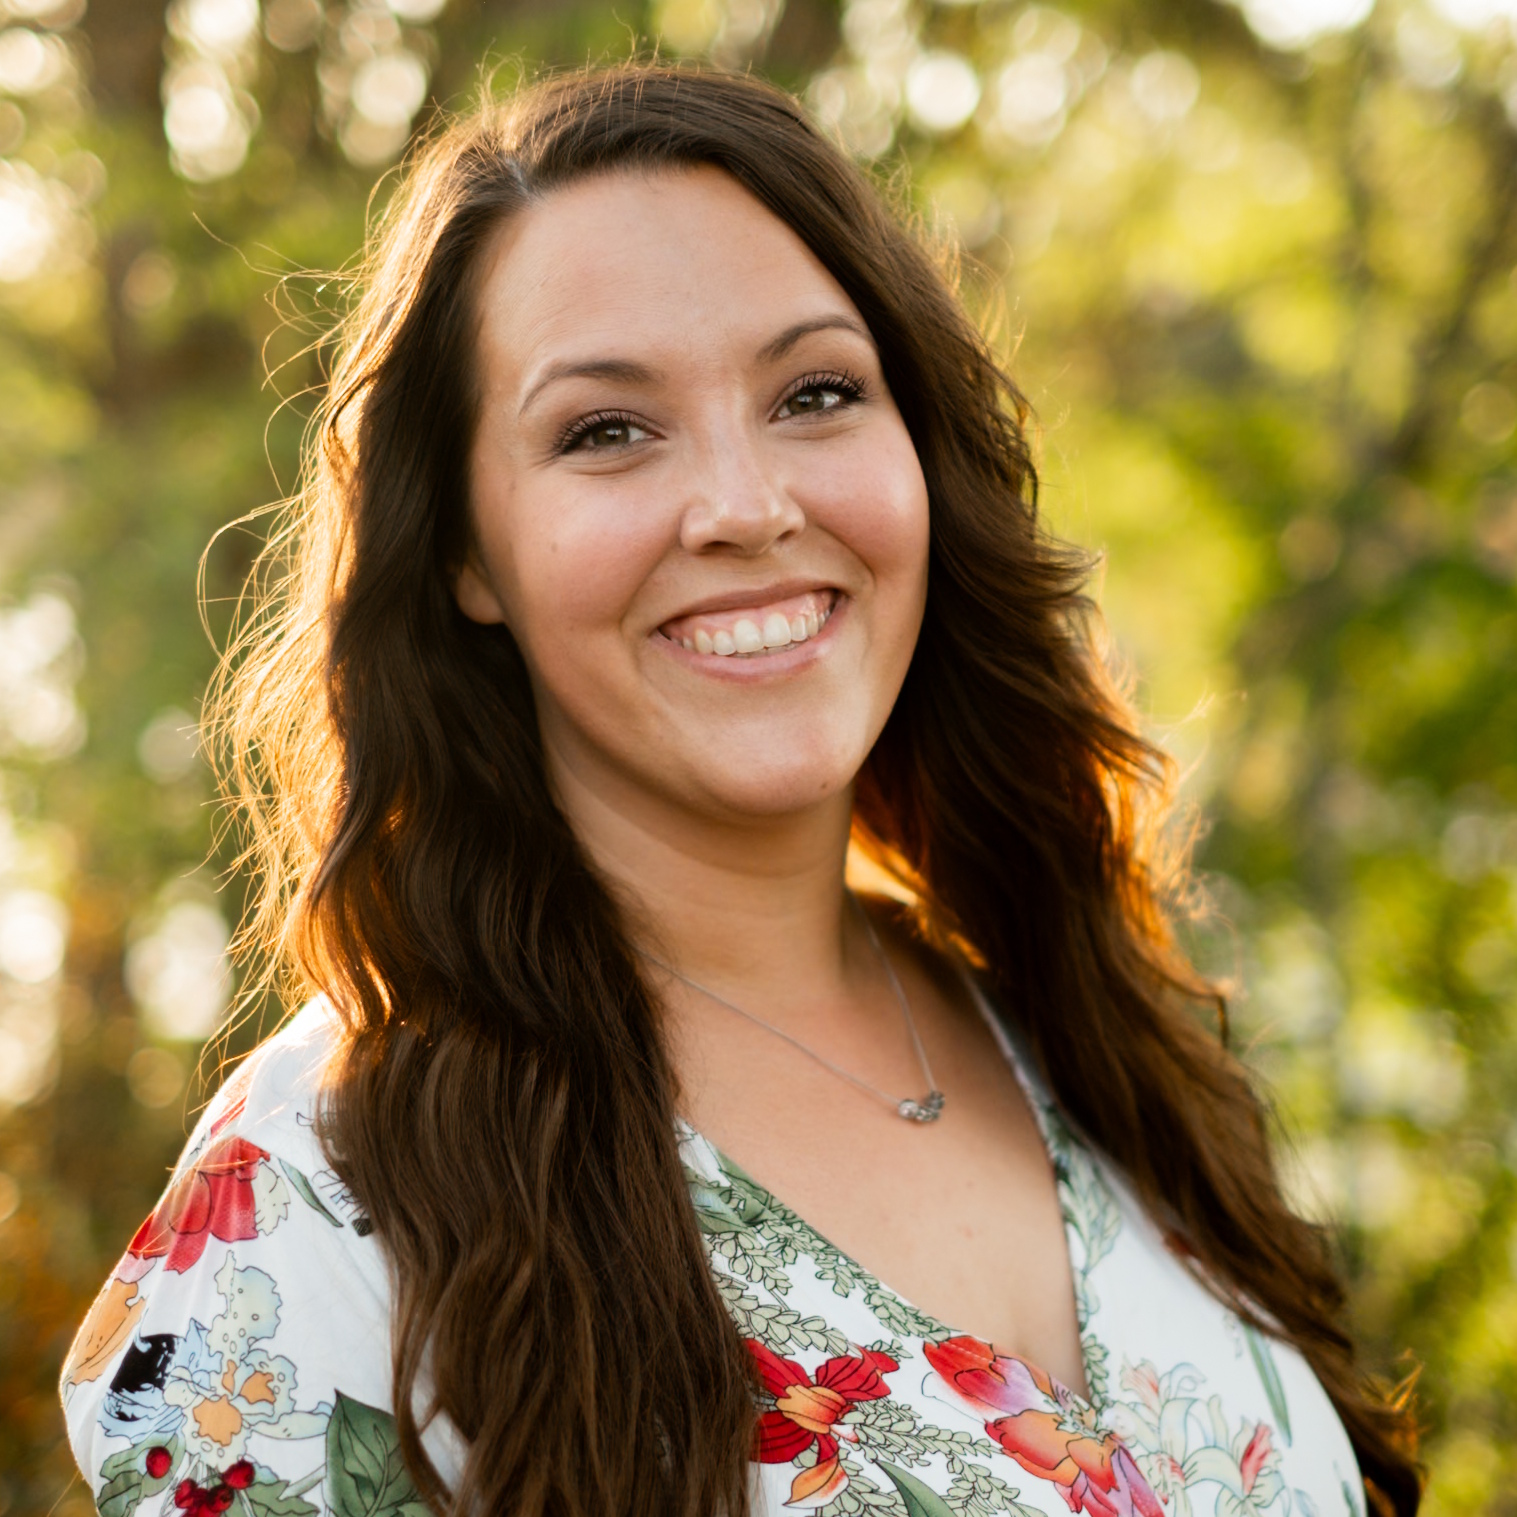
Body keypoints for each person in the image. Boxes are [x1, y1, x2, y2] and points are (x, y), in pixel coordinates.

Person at [59, 62, 1420, 1517]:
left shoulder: (1093, 1041)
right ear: (464, 554)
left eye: (815, 393)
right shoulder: (313, 1203)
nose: (746, 505)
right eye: (605, 430)